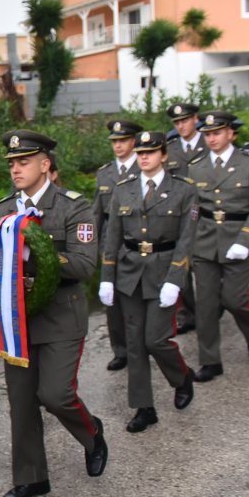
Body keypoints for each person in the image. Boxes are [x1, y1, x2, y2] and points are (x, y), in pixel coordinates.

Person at [0, 130, 107, 497]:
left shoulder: (73, 207)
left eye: (23, 162)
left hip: (60, 317)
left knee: (56, 394)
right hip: (18, 321)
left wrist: (36, 258)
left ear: (45, 164)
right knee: (21, 403)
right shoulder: (4, 209)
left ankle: (92, 435)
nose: (16, 169)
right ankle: (31, 478)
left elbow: (85, 264)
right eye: (11, 163)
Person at [98, 131, 197, 433]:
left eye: (151, 152)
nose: (144, 157)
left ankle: (181, 377)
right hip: (130, 273)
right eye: (140, 152)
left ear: (164, 155)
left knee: (155, 339)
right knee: (134, 343)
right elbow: (112, 236)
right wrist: (107, 278)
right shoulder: (123, 189)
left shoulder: (183, 190)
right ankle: (144, 407)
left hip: (164, 271)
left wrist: (176, 279)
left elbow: (186, 239)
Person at [185, 112, 249, 382]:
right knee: (206, 304)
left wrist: (246, 240)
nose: (212, 138)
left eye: (217, 133)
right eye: (207, 134)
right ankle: (211, 361)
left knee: (235, 299)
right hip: (206, 242)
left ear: (231, 134)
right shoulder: (196, 166)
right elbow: (193, 209)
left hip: (238, 239)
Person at [93, 120, 142, 371]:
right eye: (114, 141)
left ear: (133, 141)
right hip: (109, 244)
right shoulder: (105, 173)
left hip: (135, 240)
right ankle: (120, 349)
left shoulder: (144, 167)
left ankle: (139, 346)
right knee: (111, 301)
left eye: (123, 140)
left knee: (134, 298)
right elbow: (97, 213)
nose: (118, 145)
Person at [166, 102, 205, 334]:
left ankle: (211, 304)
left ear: (195, 119)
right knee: (181, 267)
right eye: (177, 122)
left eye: (185, 120)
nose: (181, 125)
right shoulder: (170, 150)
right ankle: (187, 314)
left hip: (208, 217)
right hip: (180, 217)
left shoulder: (209, 143)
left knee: (207, 267)